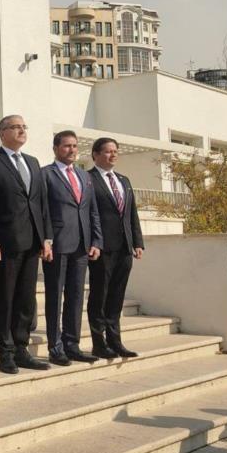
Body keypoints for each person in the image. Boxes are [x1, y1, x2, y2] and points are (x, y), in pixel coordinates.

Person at [0, 115, 53, 375]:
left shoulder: (32, 162)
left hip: (32, 242)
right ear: (2, 132)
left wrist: (46, 238)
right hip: (6, 243)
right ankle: (5, 351)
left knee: (26, 299)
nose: (21, 130)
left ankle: (21, 349)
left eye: (24, 127)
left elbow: (41, 204)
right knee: (5, 298)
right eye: (16, 127)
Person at [42, 130, 102, 366]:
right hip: (57, 244)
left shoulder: (84, 176)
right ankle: (55, 347)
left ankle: (72, 344)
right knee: (55, 296)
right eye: (67, 146)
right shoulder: (45, 174)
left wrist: (96, 241)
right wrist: (46, 239)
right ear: (56, 148)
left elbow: (92, 210)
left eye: (75, 146)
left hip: (82, 245)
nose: (72, 150)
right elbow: (43, 210)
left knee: (76, 296)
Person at [87, 137, 144, 359]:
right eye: (108, 151)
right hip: (102, 248)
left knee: (117, 296)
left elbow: (132, 214)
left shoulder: (123, 180)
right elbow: (89, 214)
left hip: (124, 248)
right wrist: (94, 241)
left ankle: (115, 340)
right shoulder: (89, 179)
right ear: (95, 154)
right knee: (99, 295)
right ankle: (98, 343)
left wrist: (137, 242)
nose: (113, 155)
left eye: (115, 151)